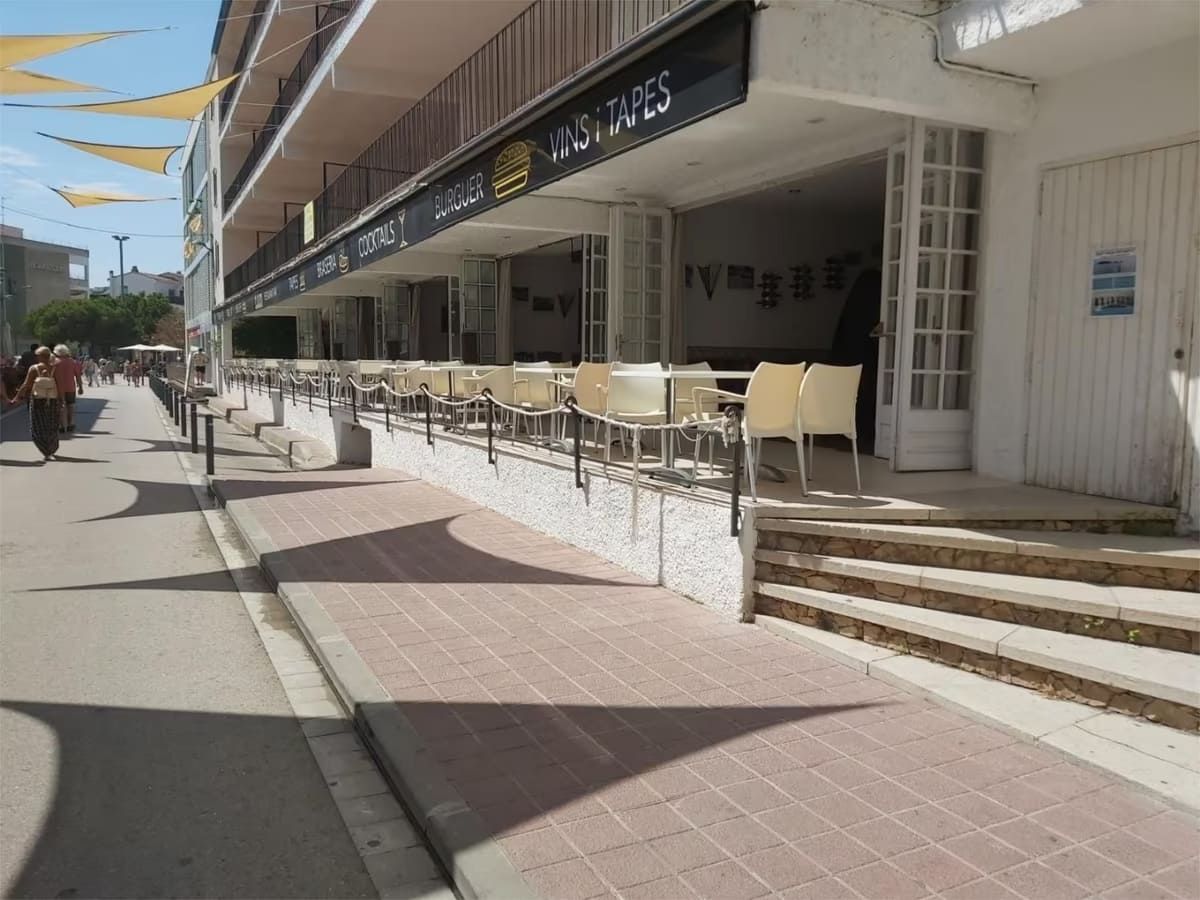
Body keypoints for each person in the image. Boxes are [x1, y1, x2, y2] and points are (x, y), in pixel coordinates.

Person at [14, 346, 60, 460]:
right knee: (51, 424)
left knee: (37, 426)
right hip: (52, 400)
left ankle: (45, 450)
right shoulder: (54, 368)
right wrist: (61, 400)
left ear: (40, 356)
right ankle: (52, 447)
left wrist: (16, 397)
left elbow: (26, 384)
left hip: (37, 400)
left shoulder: (34, 369)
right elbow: (58, 385)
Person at [52, 344, 83, 432]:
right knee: (71, 406)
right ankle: (71, 423)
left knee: (60, 406)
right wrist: (80, 387)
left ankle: (61, 425)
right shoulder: (73, 362)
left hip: (58, 388)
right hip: (70, 388)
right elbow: (78, 376)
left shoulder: (55, 362)